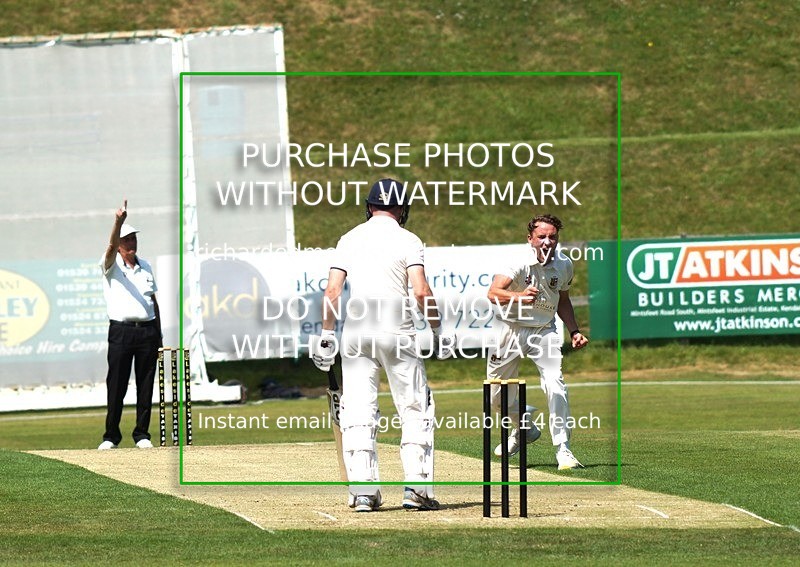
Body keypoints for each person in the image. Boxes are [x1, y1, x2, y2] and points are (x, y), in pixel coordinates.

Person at [312, 178, 449, 512]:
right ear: (401, 209)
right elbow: (420, 291)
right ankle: (417, 489)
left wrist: (326, 334)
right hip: (397, 331)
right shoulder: (408, 239)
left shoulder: (349, 237)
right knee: (415, 407)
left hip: (357, 334)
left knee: (358, 410)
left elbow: (332, 292)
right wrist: (438, 329)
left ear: (369, 206)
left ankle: (363, 493)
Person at [486, 213, 589, 470]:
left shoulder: (564, 264)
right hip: (510, 328)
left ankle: (563, 449)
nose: (547, 242)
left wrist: (574, 330)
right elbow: (493, 293)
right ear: (530, 238)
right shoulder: (517, 260)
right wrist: (519, 296)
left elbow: (563, 300)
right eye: (541, 237)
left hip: (544, 330)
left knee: (555, 384)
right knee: (494, 397)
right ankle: (524, 428)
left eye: (552, 237)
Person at [97, 199, 162, 450]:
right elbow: (111, 245)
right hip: (121, 332)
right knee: (117, 386)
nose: (131, 243)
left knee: (146, 385)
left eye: (133, 238)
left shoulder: (145, 266)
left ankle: (142, 434)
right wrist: (118, 222)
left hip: (147, 332)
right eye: (127, 239)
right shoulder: (111, 266)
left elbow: (152, 300)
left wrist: (159, 335)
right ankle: (111, 436)